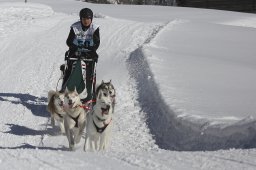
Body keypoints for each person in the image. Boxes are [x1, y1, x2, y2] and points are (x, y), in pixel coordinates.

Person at [61, 8, 100, 104]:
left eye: (88, 19)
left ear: (91, 19)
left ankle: (90, 96)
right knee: (69, 71)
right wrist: (75, 48)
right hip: (75, 51)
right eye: (84, 19)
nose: (86, 21)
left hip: (89, 52)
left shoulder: (94, 28)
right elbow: (69, 41)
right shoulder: (75, 27)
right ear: (80, 19)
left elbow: (96, 43)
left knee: (90, 73)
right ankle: (63, 93)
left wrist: (91, 50)